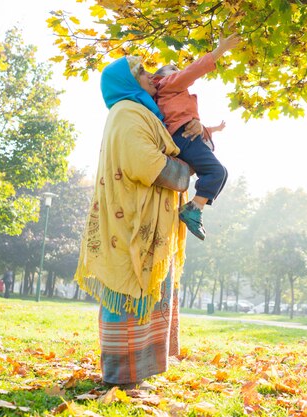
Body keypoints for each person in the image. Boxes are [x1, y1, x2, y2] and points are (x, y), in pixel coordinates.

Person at [74, 55, 198, 391]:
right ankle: (121, 378)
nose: (149, 76)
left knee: (145, 294)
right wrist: (185, 171)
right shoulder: (127, 113)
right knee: (128, 293)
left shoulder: (146, 113)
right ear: (126, 83)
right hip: (130, 223)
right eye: (140, 72)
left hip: (149, 223)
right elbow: (147, 164)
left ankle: (137, 374)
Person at [153, 33, 241, 240]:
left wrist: (212, 129)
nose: (178, 72)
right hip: (183, 138)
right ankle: (193, 208)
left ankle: (197, 207)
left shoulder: (174, 96)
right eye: (173, 71)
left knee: (222, 173)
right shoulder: (168, 84)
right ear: (162, 77)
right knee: (216, 172)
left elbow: (190, 123)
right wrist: (220, 51)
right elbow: (192, 71)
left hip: (187, 136)